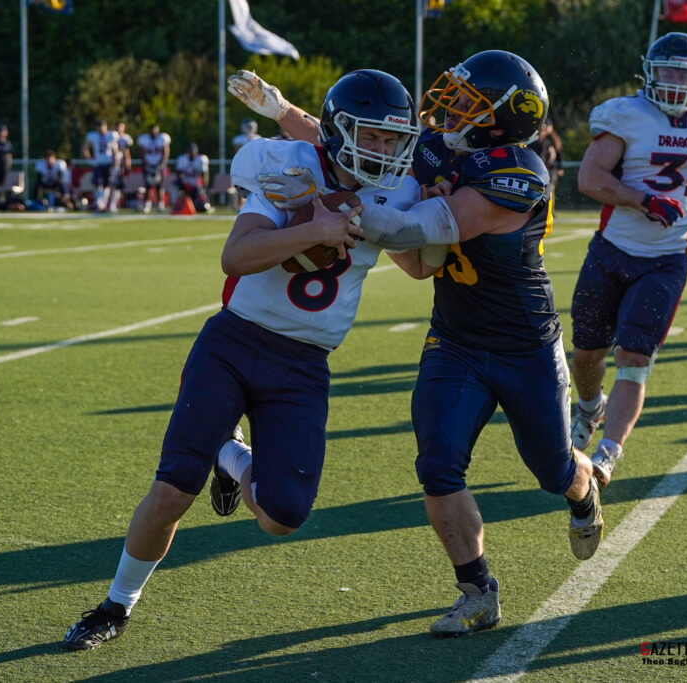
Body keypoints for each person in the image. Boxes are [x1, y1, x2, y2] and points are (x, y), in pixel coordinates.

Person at [227, 51, 605, 638]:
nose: (450, 105)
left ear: (502, 118)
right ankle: (477, 589)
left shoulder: (519, 171)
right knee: (438, 465)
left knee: (552, 467)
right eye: (454, 94)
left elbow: (414, 230)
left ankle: (583, 491)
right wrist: (283, 111)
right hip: (454, 339)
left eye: (468, 100)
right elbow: (349, 142)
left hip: (524, 344)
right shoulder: (438, 145)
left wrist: (331, 208)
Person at [62, 69, 422, 651]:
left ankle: (230, 458)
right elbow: (237, 255)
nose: (382, 150)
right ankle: (115, 605)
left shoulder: (400, 190)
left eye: (391, 138)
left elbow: (421, 264)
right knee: (174, 487)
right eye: (371, 136)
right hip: (235, 343)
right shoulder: (286, 168)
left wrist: (413, 226)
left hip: (304, 365)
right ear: (340, 132)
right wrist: (316, 229)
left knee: (283, 514)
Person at [569, 32, 687, 489]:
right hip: (612, 250)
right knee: (587, 352)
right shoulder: (627, 115)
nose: (676, 79)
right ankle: (589, 406)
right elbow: (589, 177)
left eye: (685, 72)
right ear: (650, 71)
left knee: (634, 356)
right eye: (668, 70)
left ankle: (608, 453)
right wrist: (642, 199)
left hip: (665, 260)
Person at [82, 120, 120, 212]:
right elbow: (85, 148)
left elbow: (115, 151)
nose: (100, 129)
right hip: (98, 164)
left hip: (108, 163)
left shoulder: (111, 135)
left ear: (105, 127)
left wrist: (116, 165)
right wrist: (90, 160)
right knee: (98, 184)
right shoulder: (93, 136)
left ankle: (104, 204)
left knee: (107, 185)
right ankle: (99, 204)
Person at [137, 124, 172, 213]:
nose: (153, 131)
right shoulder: (144, 139)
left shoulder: (162, 138)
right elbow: (141, 151)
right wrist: (145, 163)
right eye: (152, 130)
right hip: (148, 165)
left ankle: (160, 205)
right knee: (148, 186)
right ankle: (147, 205)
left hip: (159, 166)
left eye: (155, 129)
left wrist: (161, 164)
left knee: (160, 186)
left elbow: (166, 151)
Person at [528, 118, 564, 199]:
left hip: (550, 168)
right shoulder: (535, 140)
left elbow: (559, 154)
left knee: (549, 190)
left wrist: (559, 167)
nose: (543, 130)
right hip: (538, 168)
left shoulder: (551, 140)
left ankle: (550, 208)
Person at [174, 142, 212, 213]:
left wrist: (203, 188)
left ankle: (200, 205)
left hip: (196, 186)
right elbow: (178, 173)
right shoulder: (183, 159)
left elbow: (205, 175)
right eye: (190, 151)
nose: (191, 153)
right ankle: (175, 204)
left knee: (200, 206)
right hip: (185, 184)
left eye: (193, 151)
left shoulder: (200, 159)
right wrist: (182, 183)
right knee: (174, 185)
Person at [114, 121, 135, 210]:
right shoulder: (110, 136)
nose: (120, 129)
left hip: (120, 164)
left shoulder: (126, 138)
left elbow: (127, 152)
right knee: (108, 185)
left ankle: (113, 204)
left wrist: (128, 164)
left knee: (118, 185)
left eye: (121, 127)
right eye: (118, 127)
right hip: (110, 163)